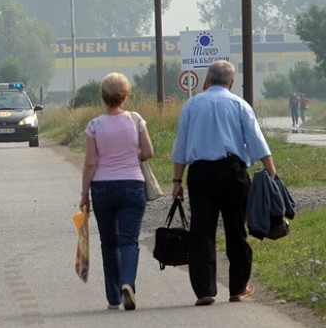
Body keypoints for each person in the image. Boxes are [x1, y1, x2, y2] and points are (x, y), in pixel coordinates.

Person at [170, 60, 278, 307]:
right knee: (235, 229)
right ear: (231, 82)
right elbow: (257, 141)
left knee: (202, 231)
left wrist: (177, 181)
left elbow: (181, 147)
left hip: (201, 173)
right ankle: (238, 288)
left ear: (207, 81)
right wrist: (272, 173)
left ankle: (205, 289)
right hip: (233, 172)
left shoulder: (192, 105)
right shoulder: (240, 105)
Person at [79, 72, 154, 311]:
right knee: (129, 240)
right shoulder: (136, 120)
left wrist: (84, 194)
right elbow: (148, 151)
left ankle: (113, 296)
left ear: (103, 97)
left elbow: (91, 162)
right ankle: (127, 282)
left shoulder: (94, 126)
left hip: (102, 187)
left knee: (108, 242)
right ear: (125, 96)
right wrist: (131, 156)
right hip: (132, 184)